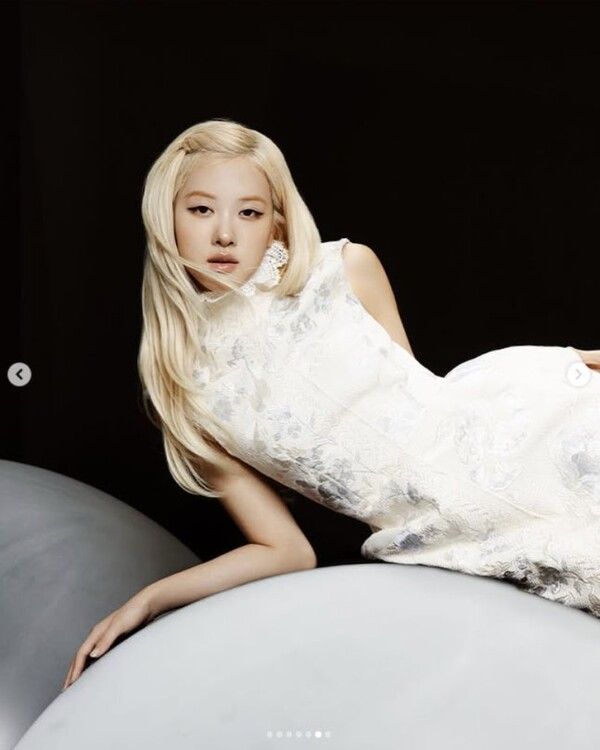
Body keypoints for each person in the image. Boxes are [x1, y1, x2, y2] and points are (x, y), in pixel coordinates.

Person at [63, 118, 600, 690]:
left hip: (519, 432)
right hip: (442, 529)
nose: (224, 234)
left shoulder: (345, 269)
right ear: (165, 218)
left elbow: (421, 404)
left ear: (276, 223)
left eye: (249, 212)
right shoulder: (187, 394)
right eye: (200, 210)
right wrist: (150, 599)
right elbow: (286, 550)